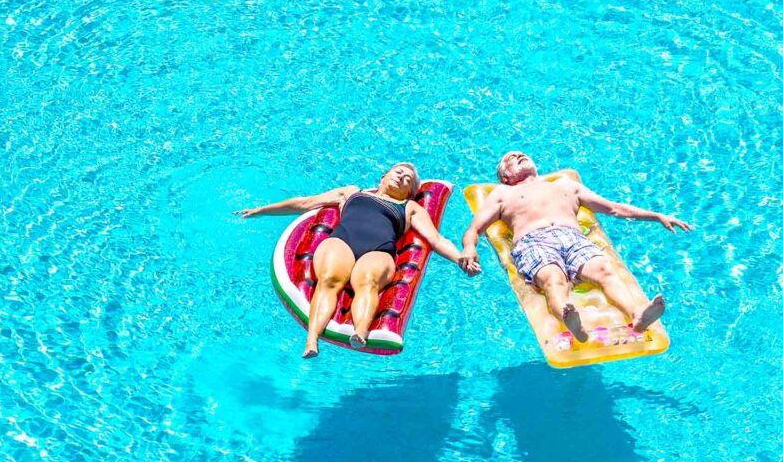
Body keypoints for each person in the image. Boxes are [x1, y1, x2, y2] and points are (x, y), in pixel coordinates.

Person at [238, 163, 479, 358]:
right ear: (383, 176)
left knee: (368, 281)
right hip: (342, 240)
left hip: (379, 250)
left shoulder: (411, 208)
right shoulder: (352, 192)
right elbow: (304, 203)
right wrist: (261, 210)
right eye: (398, 172)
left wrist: (461, 258)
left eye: (408, 180)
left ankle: (360, 334)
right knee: (330, 278)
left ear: (410, 191)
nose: (402, 177)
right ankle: (312, 341)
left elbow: (435, 240)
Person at [460, 151, 692, 343]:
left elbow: (613, 208)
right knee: (553, 279)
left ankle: (638, 315)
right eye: (511, 158)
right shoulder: (503, 193)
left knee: (604, 270)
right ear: (506, 177)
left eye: (522, 154)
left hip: (573, 238)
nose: (519, 155)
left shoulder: (566, 185)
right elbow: (474, 230)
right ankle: (570, 320)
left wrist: (656, 216)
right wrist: (470, 248)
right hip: (533, 241)